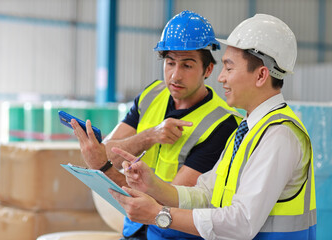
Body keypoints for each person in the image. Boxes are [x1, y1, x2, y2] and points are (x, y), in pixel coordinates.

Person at [109, 14, 317, 240]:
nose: (220, 78)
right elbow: (206, 193)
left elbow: (242, 222)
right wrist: (153, 186)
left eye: (229, 68)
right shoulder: (248, 129)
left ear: (260, 75)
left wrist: (159, 214)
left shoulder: (278, 135)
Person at [72, 10, 241, 240]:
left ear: (208, 70)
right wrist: (149, 136)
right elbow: (109, 150)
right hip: (135, 227)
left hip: (175, 233)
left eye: (187, 66)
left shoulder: (221, 123)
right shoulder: (152, 94)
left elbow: (166, 201)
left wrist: (103, 167)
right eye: (170, 63)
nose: (175, 75)